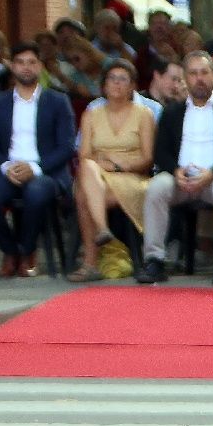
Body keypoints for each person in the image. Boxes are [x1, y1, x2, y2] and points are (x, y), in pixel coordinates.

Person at [139, 51, 213, 286]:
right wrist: (174, 171)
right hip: (180, 179)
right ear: (185, 78)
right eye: (193, 74)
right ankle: (154, 260)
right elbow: (161, 151)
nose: (199, 78)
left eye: (204, 72)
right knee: (157, 187)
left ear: (212, 76)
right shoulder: (171, 112)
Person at [0, 42, 74, 277]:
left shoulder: (57, 101)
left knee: (36, 193)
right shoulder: (0, 103)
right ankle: (11, 251)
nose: (26, 68)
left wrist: (34, 167)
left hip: (45, 171)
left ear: (40, 66)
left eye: (32, 62)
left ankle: (29, 250)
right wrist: (6, 166)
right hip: (9, 168)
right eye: (20, 62)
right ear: (12, 66)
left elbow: (66, 146)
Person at [68, 59, 155, 282]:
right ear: (104, 85)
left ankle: (90, 262)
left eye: (122, 79)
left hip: (133, 177)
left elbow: (147, 159)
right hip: (97, 175)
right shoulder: (91, 114)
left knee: (83, 196)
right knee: (87, 169)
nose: (116, 84)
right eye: (112, 79)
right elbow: (84, 155)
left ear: (132, 86)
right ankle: (103, 229)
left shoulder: (144, 114)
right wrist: (104, 165)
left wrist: (117, 165)